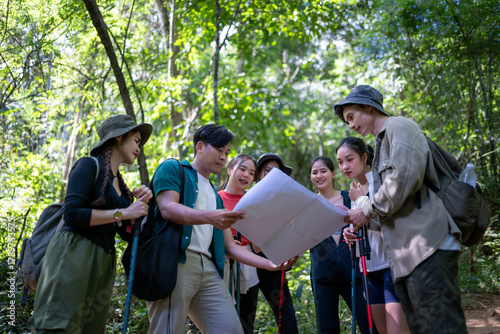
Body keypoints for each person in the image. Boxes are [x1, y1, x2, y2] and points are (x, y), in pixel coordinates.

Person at [334, 85, 466, 334]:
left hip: (427, 247)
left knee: (443, 327)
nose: (350, 125)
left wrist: (366, 208)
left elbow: (404, 179)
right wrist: (362, 222)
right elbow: (392, 210)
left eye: (351, 117)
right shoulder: (381, 143)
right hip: (405, 260)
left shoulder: (398, 126)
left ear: (368, 107)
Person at [146, 125, 298, 334]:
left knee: (231, 329)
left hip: (209, 269)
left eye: (226, 153)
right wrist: (211, 217)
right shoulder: (174, 168)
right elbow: (167, 208)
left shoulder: (214, 195)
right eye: (219, 150)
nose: (223, 157)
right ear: (200, 147)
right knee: (168, 329)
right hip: (177, 261)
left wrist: (271, 265)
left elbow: (230, 246)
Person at [31, 114, 154, 333]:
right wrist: (124, 212)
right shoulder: (88, 165)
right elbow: (72, 214)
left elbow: (126, 233)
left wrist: (139, 208)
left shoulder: (122, 188)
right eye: (136, 140)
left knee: (90, 328)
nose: (139, 148)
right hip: (74, 252)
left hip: (103, 260)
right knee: (58, 325)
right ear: (118, 137)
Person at [336, 137, 410, 334]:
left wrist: (360, 200)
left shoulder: (381, 182)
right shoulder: (354, 191)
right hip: (368, 270)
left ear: (364, 157)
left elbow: (391, 223)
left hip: (391, 266)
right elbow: (364, 224)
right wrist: (349, 233)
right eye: (340, 162)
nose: (345, 166)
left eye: (349, 159)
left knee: (398, 331)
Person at [309, 156, 370, 334]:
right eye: (314, 172)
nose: (319, 176)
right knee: (328, 328)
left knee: (367, 322)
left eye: (323, 171)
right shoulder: (309, 205)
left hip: (353, 270)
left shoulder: (348, 197)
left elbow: (365, 223)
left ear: (333, 173)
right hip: (323, 276)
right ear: (311, 177)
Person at [251, 153, 299, 334]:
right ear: (258, 174)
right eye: (267, 171)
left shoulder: (284, 201)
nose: (271, 175)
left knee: (284, 311)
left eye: (276, 173)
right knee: (246, 312)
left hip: (273, 260)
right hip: (247, 261)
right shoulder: (246, 195)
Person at [218, 154, 259, 334]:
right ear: (229, 169)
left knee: (247, 318)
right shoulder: (215, 197)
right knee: (222, 318)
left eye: (251, 173)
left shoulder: (254, 200)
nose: (246, 175)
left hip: (248, 261)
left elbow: (259, 242)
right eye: (242, 169)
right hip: (222, 261)